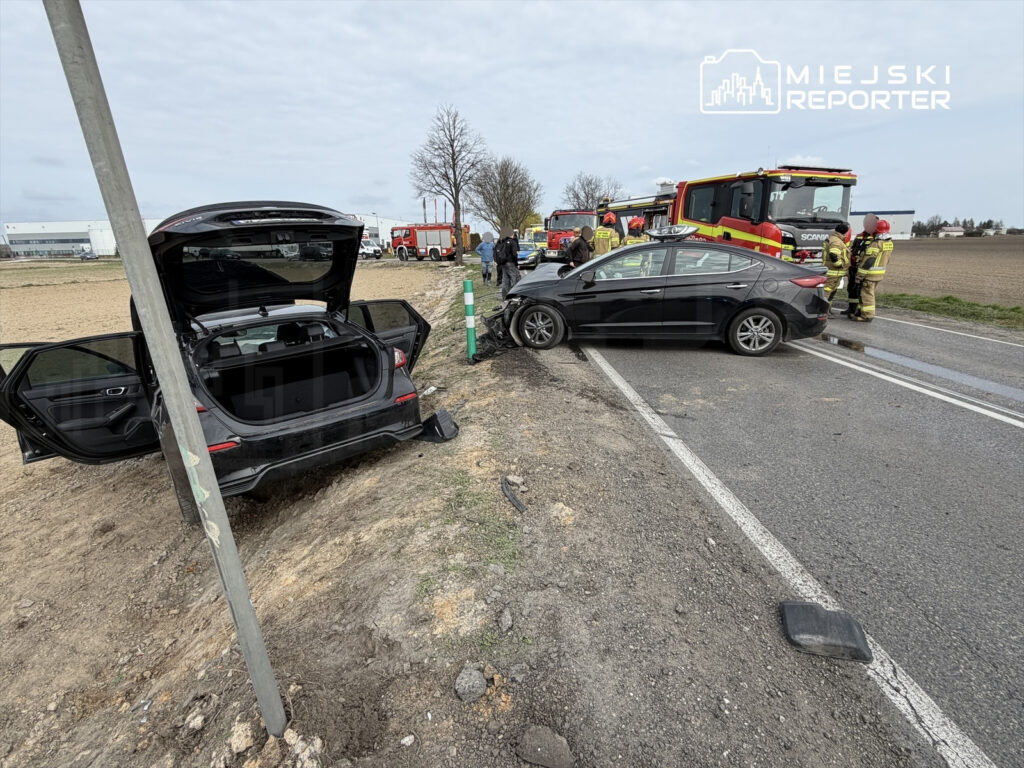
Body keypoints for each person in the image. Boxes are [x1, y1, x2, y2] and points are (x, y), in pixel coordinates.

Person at [852, 219, 893, 321]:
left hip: (869, 274)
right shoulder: (889, 243)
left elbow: (869, 261)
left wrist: (860, 275)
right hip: (879, 274)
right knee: (865, 293)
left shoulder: (876, 244)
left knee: (867, 295)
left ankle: (867, 315)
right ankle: (860, 312)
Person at [845, 213, 878, 317]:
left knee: (860, 290)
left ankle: (859, 311)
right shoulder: (860, 236)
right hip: (853, 265)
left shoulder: (876, 238)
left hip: (863, 268)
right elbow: (853, 248)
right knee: (851, 288)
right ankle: (851, 308)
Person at [821, 222, 851, 312]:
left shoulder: (833, 238)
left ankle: (826, 310)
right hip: (834, 272)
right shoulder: (837, 241)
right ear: (844, 232)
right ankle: (823, 311)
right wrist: (840, 265)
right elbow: (833, 255)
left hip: (831, 270)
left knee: (829, 291)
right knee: (827, 292)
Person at [496, 226, 521, 299]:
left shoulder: (502, 242)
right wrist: (516, 264)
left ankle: (505, 296)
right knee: (515, 278)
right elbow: (514, 255)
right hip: (510, 262)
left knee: (505, 280)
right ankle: (514, 296)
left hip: (503, 263)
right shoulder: (512, 242)